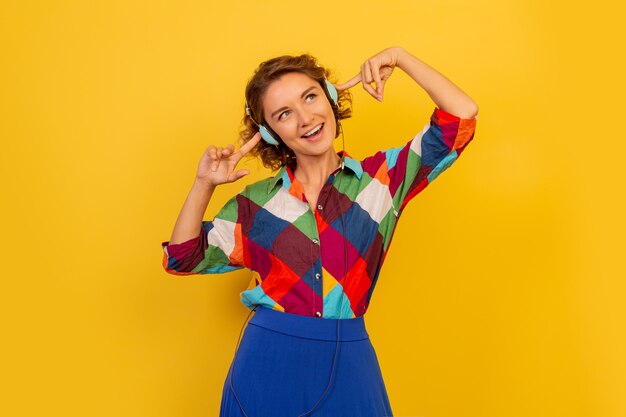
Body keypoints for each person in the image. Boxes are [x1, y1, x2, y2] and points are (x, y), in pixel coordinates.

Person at [161, 46, 478, 417]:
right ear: (269, 132)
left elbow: (461, 117)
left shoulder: (383, 181)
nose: (305, 118)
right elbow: (183, 258)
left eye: (310, 97)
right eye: (284, 114)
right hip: (266, 364)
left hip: (349, 359)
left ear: (330, 96)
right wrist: (204, 184)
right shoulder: (255, 205)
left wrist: (400, 57)